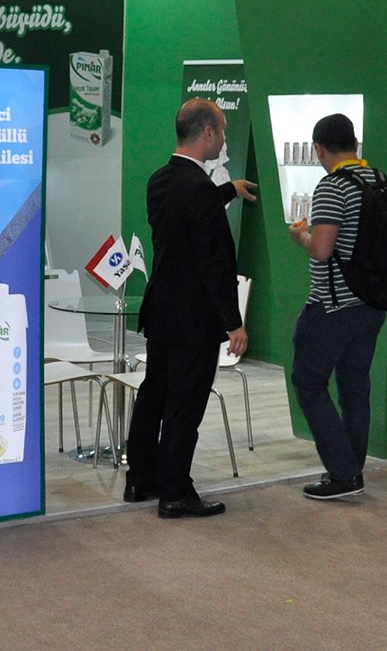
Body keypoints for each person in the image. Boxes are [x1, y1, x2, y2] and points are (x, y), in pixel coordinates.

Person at [124, 98, 257, 519]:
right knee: (185, 405)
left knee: (154, 396)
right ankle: (175, 492)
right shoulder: (197, 188)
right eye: (223, 130)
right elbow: (214, 263)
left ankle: (140, 479)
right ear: (208, 133)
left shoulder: (160, 180)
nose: (225, 138)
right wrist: (234, 322)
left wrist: (228, 190)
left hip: (161, 311)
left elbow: (190, 212)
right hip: (193, 319)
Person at [288, 113, 385, 500]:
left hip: (332, 306)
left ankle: (344, 474)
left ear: (319, 149)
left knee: (309, 383)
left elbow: (322, 248)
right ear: (355, 144)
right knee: (355, 388)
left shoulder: (332, 186)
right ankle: (352, 468)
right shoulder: (379, 179)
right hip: (372, 303)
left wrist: (301, 236)